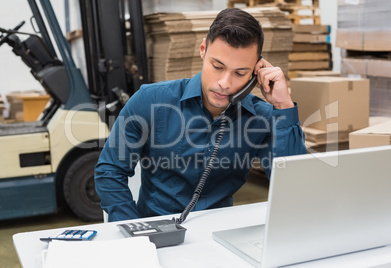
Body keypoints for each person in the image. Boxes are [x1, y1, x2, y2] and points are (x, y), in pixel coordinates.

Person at [95, 8, 306, 222]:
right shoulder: (150, 100)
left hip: (218, 233)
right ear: (203, 49)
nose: (225, 83)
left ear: (256, 72)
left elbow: (294, 188)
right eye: (217, 66)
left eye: (240, 73)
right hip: (154, 231)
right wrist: (135, 231)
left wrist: (283, 106)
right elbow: (110, 172)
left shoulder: (262, 117)